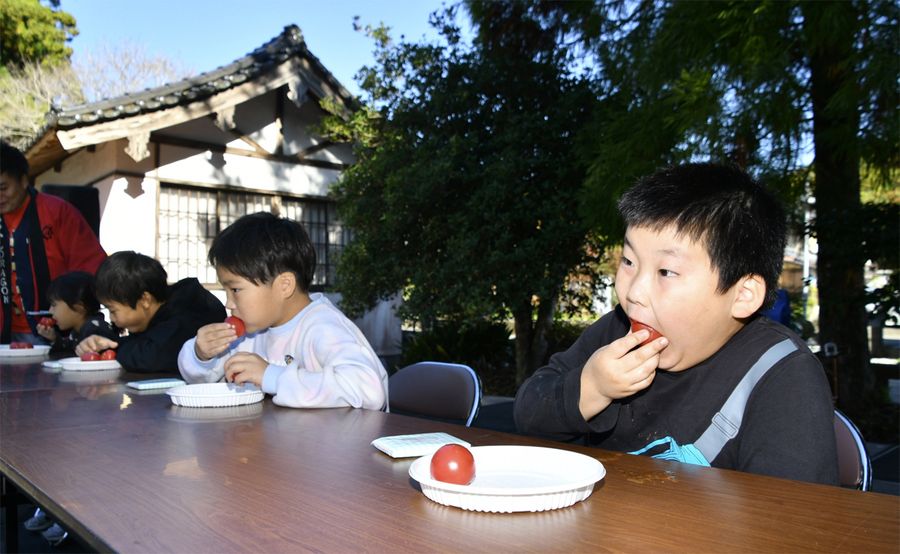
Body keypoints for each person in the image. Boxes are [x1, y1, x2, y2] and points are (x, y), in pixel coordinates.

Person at [514, 163, 838, 485]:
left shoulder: (781, 373)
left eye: (666, 272)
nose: (634, 292)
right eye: (629, 261)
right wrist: (592, 388)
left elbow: (795, 519)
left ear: (742, 295)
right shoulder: (615, 332)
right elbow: (528, 415)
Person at [178, 212, 389, 410]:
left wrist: (272, 377)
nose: (229, 303)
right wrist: (201, 355)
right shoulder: (249, 336)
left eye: (235, 290)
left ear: (284, 285)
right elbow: (201, 380)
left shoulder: (324, 327)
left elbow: (369, 391)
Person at [0, 140, 106, 345]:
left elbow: (90, 267)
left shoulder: (58, 212)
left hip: (53, 330)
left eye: (3, 187)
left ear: (23, 180)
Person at [76, 251, 226, 372]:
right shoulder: (160, 315)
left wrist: (112, 347)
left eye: (113, 310)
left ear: (145, 300)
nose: (112, 319)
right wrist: (102, 344)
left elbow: (151, 356)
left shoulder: (189, 312)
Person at [35, 271, 117, 354]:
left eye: (54, 305)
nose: (50, 311)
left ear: (79, 306)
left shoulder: (95, 330)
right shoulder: (79, 330)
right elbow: (70, 349)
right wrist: (54, 339)